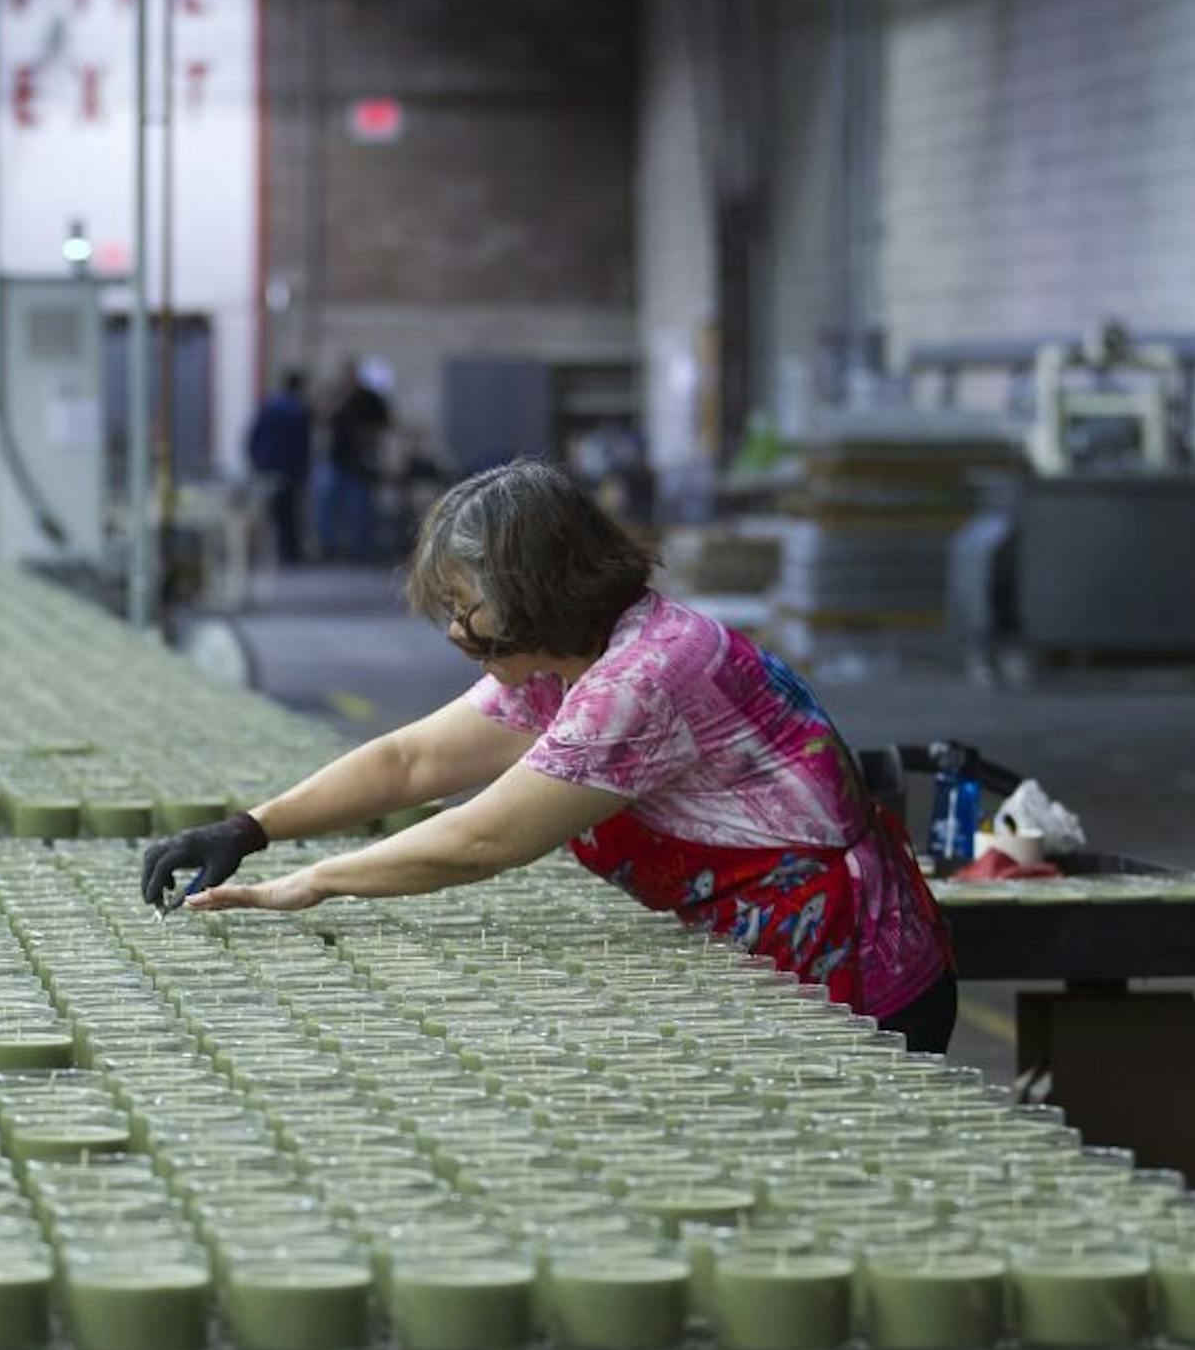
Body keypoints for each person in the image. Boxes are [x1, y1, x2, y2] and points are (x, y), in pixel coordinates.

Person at [142, 457, 956, 1052]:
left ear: (538, 586)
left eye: (467, 607)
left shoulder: (644, 675)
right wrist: (250, 827)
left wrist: (314, 881)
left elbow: (481, 840)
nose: (457, 631)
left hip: (851, 986)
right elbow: (411, 763)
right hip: (767, 964)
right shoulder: (558, 662)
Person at [317, 360, 390, 561]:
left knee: (360, 507)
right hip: (337, 458)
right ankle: (329, 547)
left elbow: (384, 424)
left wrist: (368, 435)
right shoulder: (337, 395)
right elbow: (323, 417)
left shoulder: (370, 398)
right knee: (328, 504)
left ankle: (360, 548)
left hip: (360, 460)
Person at [245, 369, 312, 565]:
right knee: (288, 514)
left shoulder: (269, 406)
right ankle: (289, 553)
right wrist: (303, 471)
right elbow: (302, 445)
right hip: (289, 469)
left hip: (267, 465)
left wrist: (256, 461)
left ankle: (260, 553)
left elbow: (253, 437)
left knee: (265, 512)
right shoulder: (299, 411)